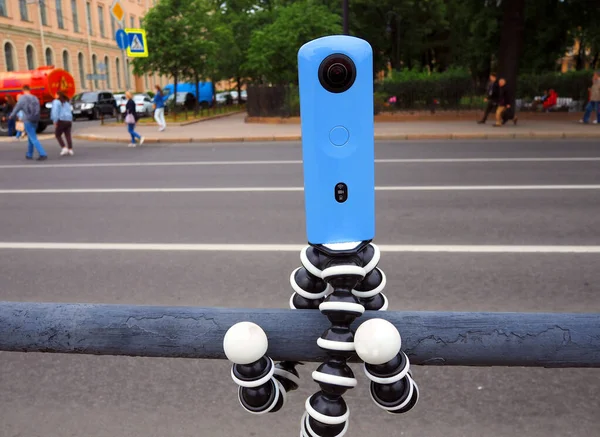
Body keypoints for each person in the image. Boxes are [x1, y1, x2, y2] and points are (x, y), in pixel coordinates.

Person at [8, 85, 47, 160]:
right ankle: (29, 154)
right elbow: (38, 108)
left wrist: (11, 115)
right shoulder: (35, 98)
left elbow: (17, 107)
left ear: (23, 90)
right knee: (30, 137)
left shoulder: (22, 98)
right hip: (35, 119)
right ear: (30, 90)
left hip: (27, 119)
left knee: (33, 137)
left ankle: (42, 153)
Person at [51, 91, 74, 156]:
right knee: (68, 135)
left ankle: (64, 147)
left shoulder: (56, 102)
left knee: (57, 135)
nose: (55, 96)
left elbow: (55, 112)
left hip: (61, 120)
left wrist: (55, 121)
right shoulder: (67, 102)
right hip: (68, 120)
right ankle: (70, 149)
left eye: (55, 94)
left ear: (58, 95)